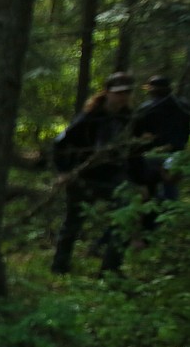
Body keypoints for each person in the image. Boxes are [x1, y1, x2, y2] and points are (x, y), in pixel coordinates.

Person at [50, 71, 134, 275]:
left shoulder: (129, 118)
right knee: (72, 223)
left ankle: (111, 269)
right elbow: (60, 144)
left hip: (114, 178)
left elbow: (134, 152)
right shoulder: (89, 117)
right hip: (84, 177)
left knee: (124, 219)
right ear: (107, 93)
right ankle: (59, 267)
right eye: (118, 93)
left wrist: (138, 180)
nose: (122, 97)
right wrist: (64, 171)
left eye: (126, 93)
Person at [129, 75, 189, 204]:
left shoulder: (146, 108)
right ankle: (168, 217)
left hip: (153, 155)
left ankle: (155, 218)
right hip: (176, 154)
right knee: (170, 189)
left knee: (152, 190)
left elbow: (136, 133)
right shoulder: (183, 106)